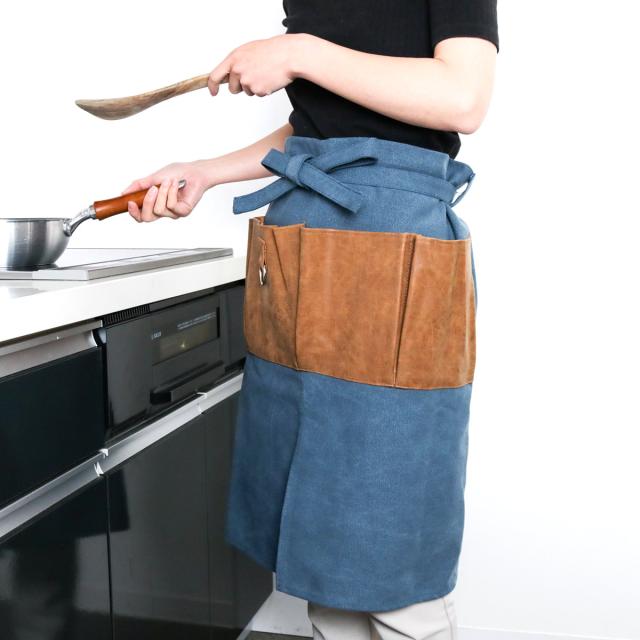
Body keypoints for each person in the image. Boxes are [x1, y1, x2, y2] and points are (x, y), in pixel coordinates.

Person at [123, 2, 498, 638]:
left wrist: (298, 53)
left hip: (395, 244)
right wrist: (207, 173)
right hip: (304, 234)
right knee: (322, 558)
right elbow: (326, 131)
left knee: (394, 553)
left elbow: (463, 96)